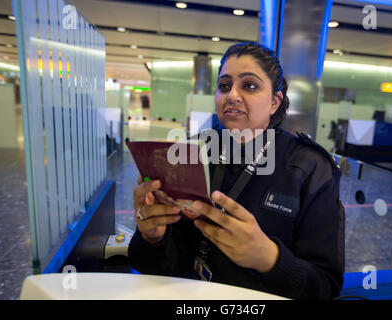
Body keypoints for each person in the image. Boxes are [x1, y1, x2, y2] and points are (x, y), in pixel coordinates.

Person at [128, 42, 345, 300]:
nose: (232, 95)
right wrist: (152, 237)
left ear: (274, 102)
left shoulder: (310, 168)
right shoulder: (189, 153)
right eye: (224, 85)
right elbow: (154, 267)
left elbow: (325, 288)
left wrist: (269, 259)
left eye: (249, 86)